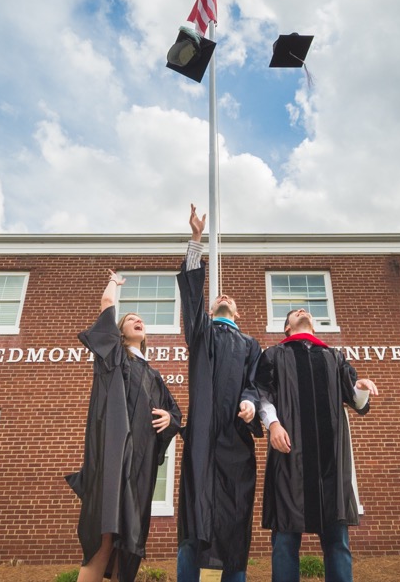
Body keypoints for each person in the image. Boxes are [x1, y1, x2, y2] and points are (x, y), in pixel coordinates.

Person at [66, 270, 183, 582]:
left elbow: (175, 414)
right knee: (104, 534)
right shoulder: (113, 356)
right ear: (119, 332)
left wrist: (170, 419)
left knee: (129, 543)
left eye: (140, 320)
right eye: (130, 318)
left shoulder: (154, 375)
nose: (137, 320)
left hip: (139, 470)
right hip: (112, 461)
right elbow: (106, 304)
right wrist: (114, 285)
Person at [254, 308, 378, 582]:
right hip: (290, 456)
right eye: (294, 312)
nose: (302, 311)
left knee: (337, 540)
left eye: (305, 310)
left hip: (330, 461)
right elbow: (262, 394)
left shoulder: (333, 356)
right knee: (285, 540)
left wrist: (361, 388)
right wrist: (273, 424)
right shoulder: (274, 355)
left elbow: (356, 402)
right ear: (287, 328)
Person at [177, 205, 263, 582]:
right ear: (211, 309)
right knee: (196, 518)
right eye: (216, 299)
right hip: (201, 442)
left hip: (236, 442)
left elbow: (258, 382)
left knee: (233, 518)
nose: (222, 297)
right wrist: (196, 242)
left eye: (229, 299)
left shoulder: (250, 344)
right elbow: (192, 300)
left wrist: (250, 401)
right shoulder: (202, 335)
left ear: (238, 312)